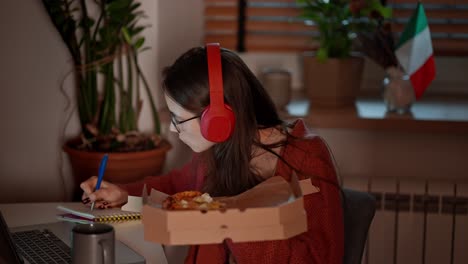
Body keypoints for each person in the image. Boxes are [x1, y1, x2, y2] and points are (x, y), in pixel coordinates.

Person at [80, 44, 344, 263]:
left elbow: (320, 258)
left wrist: (235, 223)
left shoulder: (307, 159)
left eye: (178, 119)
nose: (172, 129)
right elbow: (177, 186)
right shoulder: (218, 151)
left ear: (217, 120)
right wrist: (124, 193)